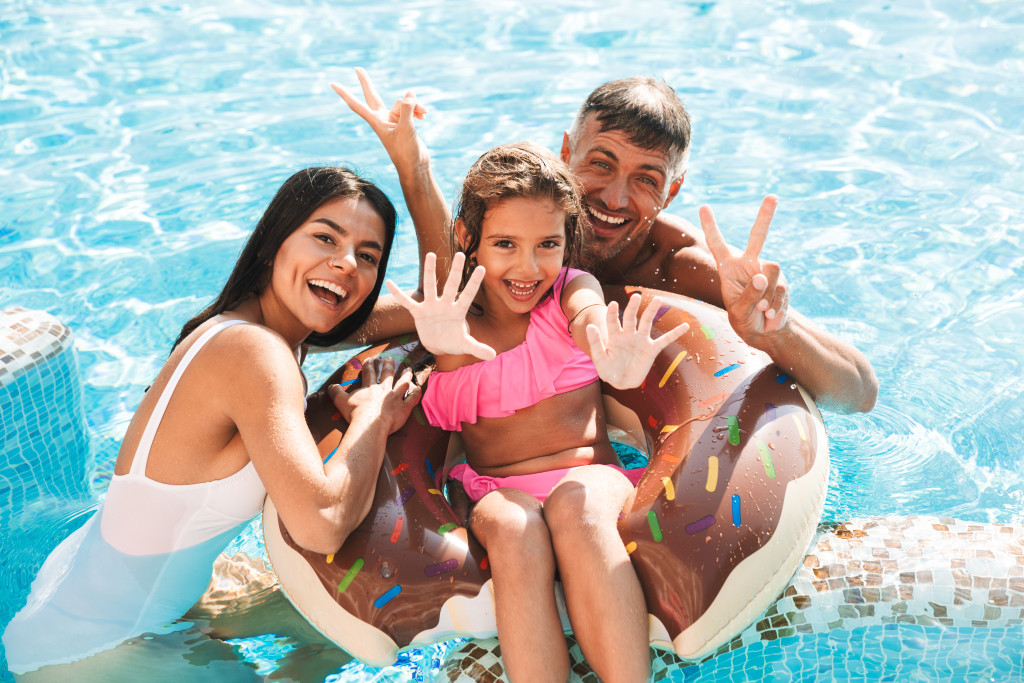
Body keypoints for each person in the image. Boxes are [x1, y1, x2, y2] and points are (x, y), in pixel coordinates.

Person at [2, 166, 422, 678]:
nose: (345, 263)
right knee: (361, 630)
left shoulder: (256, 328)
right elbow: (322, 526)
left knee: (352, 623)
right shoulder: (254, 352)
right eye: (325, 237)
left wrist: (411, 163)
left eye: (368, 256)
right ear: (274, 242)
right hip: (95, 650)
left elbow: (446, 303)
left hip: (94, 592)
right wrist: (373, 419)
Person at [332, 70, 878, 414]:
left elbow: (858, 392)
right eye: (600, 163)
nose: (616, 198)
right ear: (566, 150)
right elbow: (400, 311)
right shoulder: (526, 233)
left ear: (674, 190)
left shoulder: (680, 268)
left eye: (646, 179)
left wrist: (775, 330)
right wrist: (413, 360)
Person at [384, 142, 689, 683]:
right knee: (512, 527)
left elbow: (589, 320)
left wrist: (611, 357)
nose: (528, 268)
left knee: (577, 506)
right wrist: (440, 345)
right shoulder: (453, 324)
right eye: (505, 244)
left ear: (567, 240)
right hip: (495, 489)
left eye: (548, 244)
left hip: (590, 476)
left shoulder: (571, 291)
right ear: (467, 239)